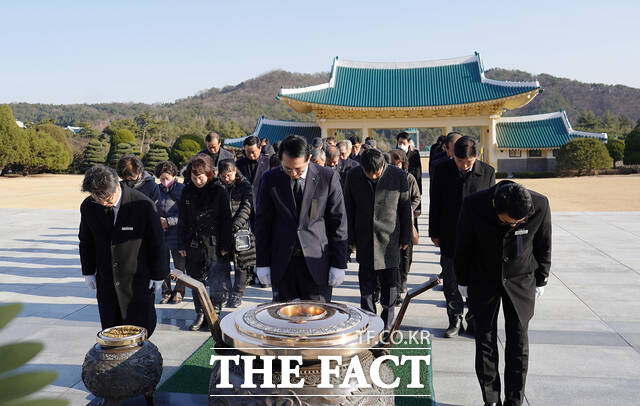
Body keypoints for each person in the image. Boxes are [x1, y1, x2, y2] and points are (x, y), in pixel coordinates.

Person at [455, 180, 551, 406]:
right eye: (508, 222)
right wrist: (463, 280)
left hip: (521, 279)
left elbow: (544, 243)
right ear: (494, 205)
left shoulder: (540, 204)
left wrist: (542, 278)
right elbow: (463, 244)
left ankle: (514, 400)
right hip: (484, 278)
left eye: (518, 223)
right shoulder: (473, 205)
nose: (513, 226)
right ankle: (491, 400)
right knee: (485, 340)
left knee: (518, 341)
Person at [255, 135, 348, 303]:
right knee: (283, 319)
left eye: (298, 169)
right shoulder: (270, 179)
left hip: (316, 261)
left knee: (318, 318)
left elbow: (338, 222)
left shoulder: (327, 178)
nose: (293, 174)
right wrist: (262, 263)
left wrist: (339, 263)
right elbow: (263, 223)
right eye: (287, 168)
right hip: (283, 262)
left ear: (309, 159)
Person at [79, 165, 166, 337]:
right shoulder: (89, 206)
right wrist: (88, 272)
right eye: (97, 198)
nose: (103, 202)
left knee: (140, 329)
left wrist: (158, 274)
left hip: (137, 278)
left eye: (107, 198)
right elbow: (86, 241)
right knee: (111, 329)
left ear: (117, 186)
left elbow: (157, 242)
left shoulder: (142, 205)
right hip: (107, 279)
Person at [430, 136, 496, 338]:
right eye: (460, 161)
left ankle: (473, 319)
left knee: (477, 281)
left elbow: (492, 206)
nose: (465, 166)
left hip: (478, 237)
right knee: (450, 280)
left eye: (469, 162)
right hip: (450, 234)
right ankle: (455, 318)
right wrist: (434, 232)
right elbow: (436, 202)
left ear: (476, 156)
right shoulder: (442, 170)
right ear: (452, 155)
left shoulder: (487, 172)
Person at [344, 148, 411, 329]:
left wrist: (406, 236)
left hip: (390, 238)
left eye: (377, 172)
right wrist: (350, 238)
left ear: (383, 165)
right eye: (369, 173)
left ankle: (388, 325)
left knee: (390, 286)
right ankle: (369, 323)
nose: (373, 176)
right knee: (366, 286)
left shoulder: (397, 175)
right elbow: (348, 209)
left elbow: (405, 208)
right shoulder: (353, 175)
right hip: (364, 237)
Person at [178, 154, 233, 330]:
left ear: (209, 174)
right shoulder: (187, 190)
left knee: (217, 279)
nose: (197, 181)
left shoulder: (219, 190)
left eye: (200, 177)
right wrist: (181, 244)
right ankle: (200, 312)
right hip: (193, 243)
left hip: (214, 243)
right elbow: (182, 219)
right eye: (194, 177)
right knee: (196, 279)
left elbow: (226, 220)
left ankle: (214, 312)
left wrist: (225, 245)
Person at [218, 159, 254, 307]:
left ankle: (238, 294)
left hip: (241, 231)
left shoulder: (244, 185)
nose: (226, 178)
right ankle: (225, 292)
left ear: (235, 171)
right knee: (223, 263)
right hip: (222, 231)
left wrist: (236, 224)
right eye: (223, 176)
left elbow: (247, 206)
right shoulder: (217, 186)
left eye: (229, 175)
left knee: (241, 264)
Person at [389, 149, 421, 305]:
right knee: (394, 258)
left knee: (406, 256)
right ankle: (395, 288)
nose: (396, 165)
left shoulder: (409, 178)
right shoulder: (387, 178)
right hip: (391, 224)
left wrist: (409, 209)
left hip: (407, 222)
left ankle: (403, 280)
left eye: (398, 163)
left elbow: (416, 197)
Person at [155, 160, 186, 304]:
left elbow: (187, 215)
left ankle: (179, 291)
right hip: (161, 234)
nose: (164, 181)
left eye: (167, 178)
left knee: (179, 265)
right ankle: (165, 291)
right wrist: (158, 220)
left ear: (174, 175)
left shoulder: (182, 189)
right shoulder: (156, 189)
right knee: (162, 264)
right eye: (161, 179)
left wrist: (170, 221)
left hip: (178, 233)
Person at [235, 136, 271, 208]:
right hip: (244, 203)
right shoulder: (238, 164)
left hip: (263, 203)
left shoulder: (268, 162)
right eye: (248, 152)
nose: (251, 155)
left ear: (260, 148)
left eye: (253, 152)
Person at [396, 131, 423, 206]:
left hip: (411, 187)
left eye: (404, 143)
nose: (401, 145)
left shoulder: (414, 155)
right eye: (400, 143)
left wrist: (418, 206)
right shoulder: (394, 154)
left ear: (409, 143)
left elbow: (418, 175)